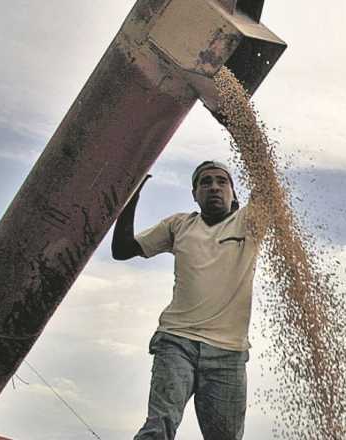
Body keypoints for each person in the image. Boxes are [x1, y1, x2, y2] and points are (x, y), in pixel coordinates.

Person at [112, 161, 259, 440]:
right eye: (205, 182)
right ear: (194, 194)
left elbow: (266, 185)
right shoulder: (179, 225)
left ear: (233, 192)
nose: (214, 187)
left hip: (228, 352)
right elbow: (122, 250)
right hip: (177, 340)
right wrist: (131, 196)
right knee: (159, 427)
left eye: (221, 181)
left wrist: (252, 148)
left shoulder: (249, 223)